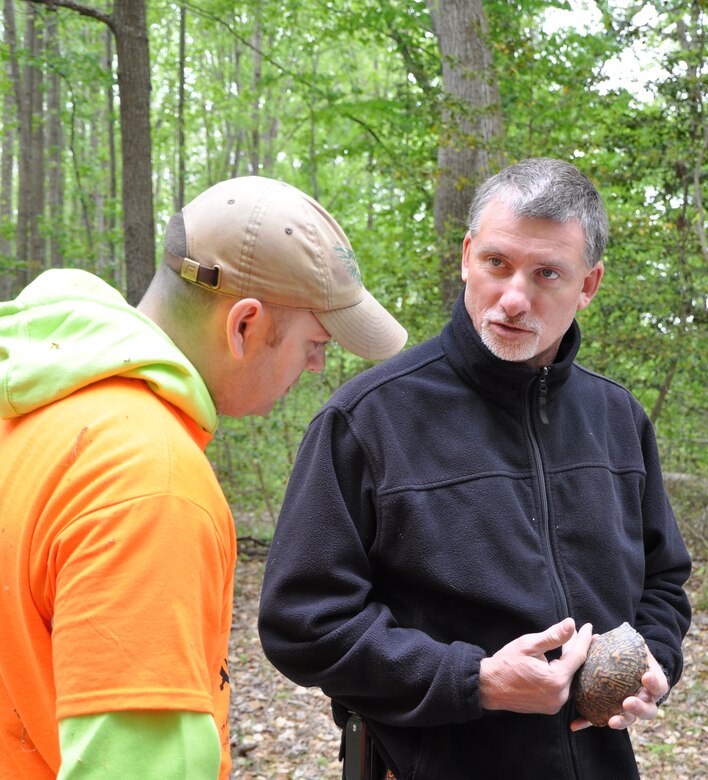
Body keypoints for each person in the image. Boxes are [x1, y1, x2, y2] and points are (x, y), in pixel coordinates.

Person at [257, 158, 692, 779]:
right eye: (497, 264)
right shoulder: (369, 419)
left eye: (547, 274)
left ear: (588, 285)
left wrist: (653, 660)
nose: (515, 298)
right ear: (467, 256)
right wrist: (475, 681)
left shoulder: (618, 419)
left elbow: (665, 583)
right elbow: (302, 622)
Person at [0, 175, 407, 779]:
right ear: (243, 325)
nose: (319, 365)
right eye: (314, 342)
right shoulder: (150, 479)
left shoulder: (34, 404)